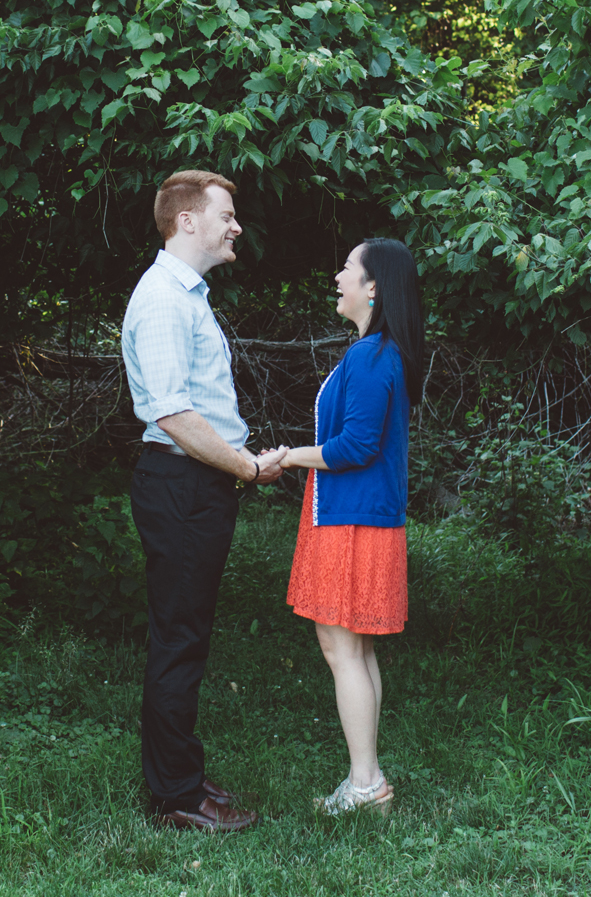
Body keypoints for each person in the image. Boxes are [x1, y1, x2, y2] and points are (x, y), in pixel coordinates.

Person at [120, 169, 284, 833]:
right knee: (179, 639)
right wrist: (245, 464)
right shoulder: (163, 299)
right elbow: (174, 415)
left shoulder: (186, 294)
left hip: (196, 484)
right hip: (183, 483)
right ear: (187, 220)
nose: (235, 225)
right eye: (226, 213)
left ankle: (177, 772)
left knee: (184, 634)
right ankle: (177, 797)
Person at [269, 237, 422, 815]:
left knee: (340, 646)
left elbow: (355, 447)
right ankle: (369, 780)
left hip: (352, 519)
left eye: (347, 269)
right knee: (353, 647)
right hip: (362, 516)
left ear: (374, 286)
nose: (337, 277)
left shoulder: (371, 355)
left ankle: (364, 786)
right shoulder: (381, 352)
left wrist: (287, 456)